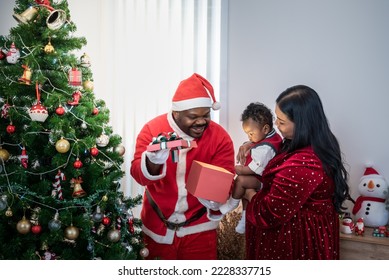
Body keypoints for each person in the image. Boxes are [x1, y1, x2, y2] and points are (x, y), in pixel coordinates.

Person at [130, 73, 235, 260]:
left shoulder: (219, 137)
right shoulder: (152, 130)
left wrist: (216, 197)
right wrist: (153, 161)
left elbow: (226, 179)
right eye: (193, 116)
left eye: (206, 115)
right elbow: (139, 175)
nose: (202, 121)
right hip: (157, 228)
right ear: (176, 113)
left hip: (200, 230)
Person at [242, 85, 350, 260]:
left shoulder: (304, 164)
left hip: (296, 242)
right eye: (277, 119)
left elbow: (271, 211)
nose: (276, 125)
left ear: (302, 124)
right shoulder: (313, 141)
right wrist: (253, 144)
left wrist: (249, 194)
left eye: (282, 122)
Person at [218, 102, 282, 234]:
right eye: (247, 133)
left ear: (265, 129)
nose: (249, 137)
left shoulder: (266, 148)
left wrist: (236, 169)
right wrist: (249, 143)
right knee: (245, 191)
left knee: (241, 180)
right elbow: (253, 144)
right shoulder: (270, 136)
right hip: (259, 178)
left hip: (265, 181)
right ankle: (245, 219)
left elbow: (252, 169)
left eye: (251, 133)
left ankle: (232, 204)